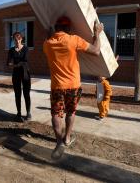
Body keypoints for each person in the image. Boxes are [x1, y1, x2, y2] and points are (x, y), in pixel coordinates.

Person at [43, 16, 103, 159]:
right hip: (73, 86)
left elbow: (50, 39)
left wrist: (50, 32)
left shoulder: (47, 44)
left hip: (57, 86)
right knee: (71, 112)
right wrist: (97, 33)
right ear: (68, 28)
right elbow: (96, 51)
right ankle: (67, 138)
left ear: (56, 28)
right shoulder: (73, 40)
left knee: (56, 114)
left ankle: (59, 142)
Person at [7, 31, 31, 122]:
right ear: (13, 40)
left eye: (19, 39)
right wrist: (15, 65)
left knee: (26, 93)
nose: (17, 41)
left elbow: (25, 60)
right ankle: (19, 112)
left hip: (25, 73)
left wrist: (15, 64)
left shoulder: (25, 49)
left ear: (21, 39)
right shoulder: (11, 50)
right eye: (15, 39)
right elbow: (8, 62)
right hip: (16, 74)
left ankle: (28, 112)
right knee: (17, 94)